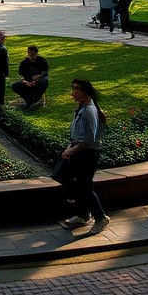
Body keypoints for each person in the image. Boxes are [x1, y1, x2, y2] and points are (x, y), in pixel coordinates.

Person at [57, 78, 109, 233]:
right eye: (72, 89)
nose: (73, 93)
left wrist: (72, 150)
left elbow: (90, 139)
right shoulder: (82, 107)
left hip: (88, 153)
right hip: (80, 151)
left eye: (76, 90)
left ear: (85, 92)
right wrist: (70, 147)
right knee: (79, 184)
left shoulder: (89, 110)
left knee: (85, 186)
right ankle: (83, 215)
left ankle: (101, 217)